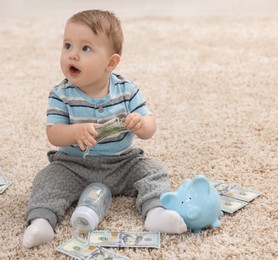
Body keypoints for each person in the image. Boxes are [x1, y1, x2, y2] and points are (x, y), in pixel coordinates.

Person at [22, 9, 187, 249]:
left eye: (85, 48)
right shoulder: (61, 93)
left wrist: (141, 125)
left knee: (154, 171)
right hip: (73, 165)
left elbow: (150, 126)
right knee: (46, 180)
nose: (72, 55)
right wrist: (74, 132)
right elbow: (53, 132)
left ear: (111, 62)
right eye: (67, 45)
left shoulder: (127, 90)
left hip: (122, 163)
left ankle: (156, 212)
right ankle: (41, 223)